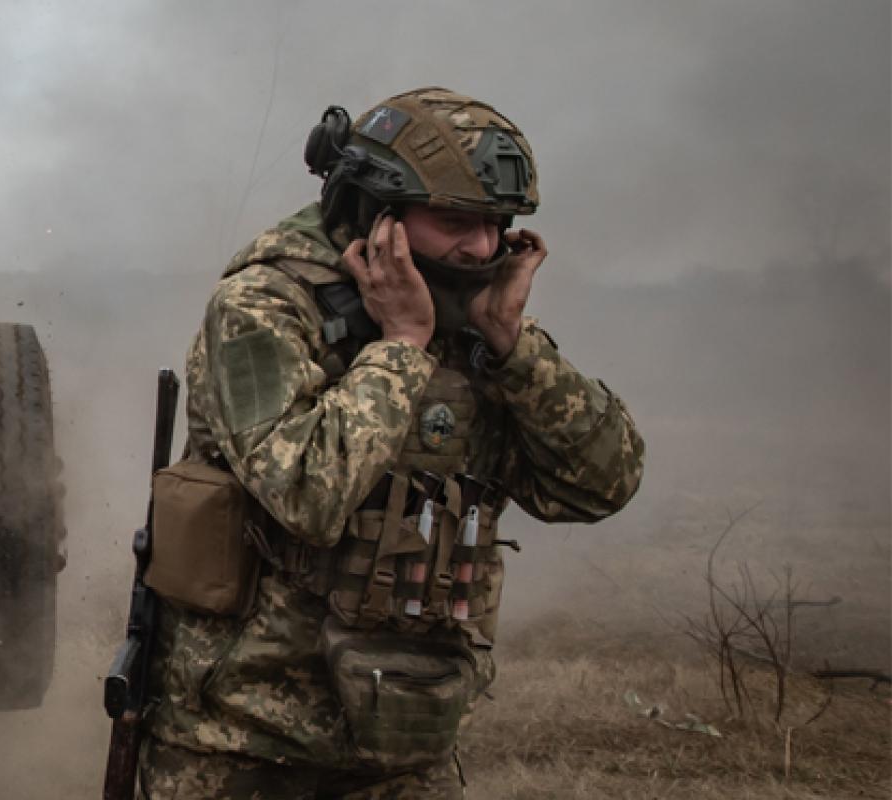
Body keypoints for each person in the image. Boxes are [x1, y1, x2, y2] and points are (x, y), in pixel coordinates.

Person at [137, 88, 646, 797]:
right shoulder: (264, 305)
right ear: (378, 213)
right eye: (454, 222)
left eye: (495, 226)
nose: (479, 248)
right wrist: (403, 346)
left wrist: (515, 350)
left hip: (406, 749)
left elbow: (603, 484)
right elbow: (308, 494)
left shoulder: (479, 329)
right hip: (241, 744)